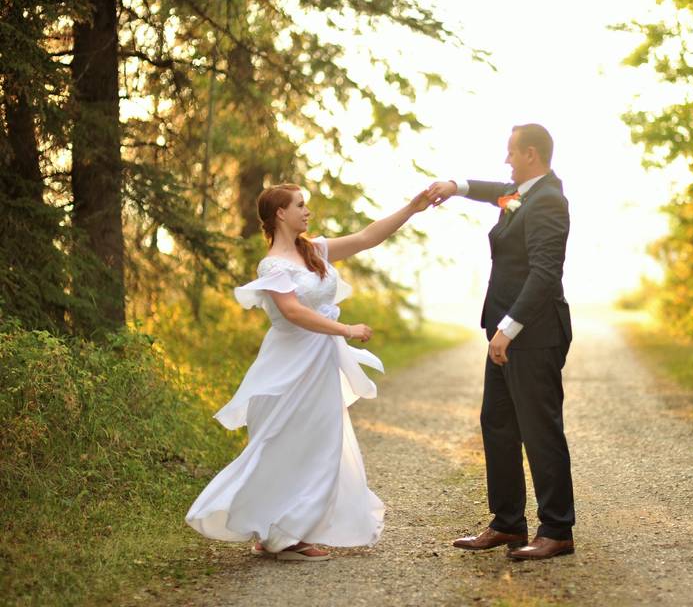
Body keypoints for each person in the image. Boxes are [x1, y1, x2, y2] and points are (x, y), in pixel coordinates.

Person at [185, 183, 431, 560]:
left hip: (319, 360)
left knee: (321, 442)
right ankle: (279, 533)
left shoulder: (314, 249)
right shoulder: (272, 265)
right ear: (280, 213)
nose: (307, 211)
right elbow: (293, 312)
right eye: (300, 205)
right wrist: (347, 330)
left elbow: (368, 237)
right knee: (284, 442)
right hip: (288, 362)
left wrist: (411, 208)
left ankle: (286, 531)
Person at [427, 123, 575, 560]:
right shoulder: (523, 194)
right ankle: (508, 523)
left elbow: (546, 274)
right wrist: (456, 186)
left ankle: (557, 530)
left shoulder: (547, 200)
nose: (506, 161)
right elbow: (498, 191)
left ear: (531, 154)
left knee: (539, 431)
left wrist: (508, 329)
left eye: (511, 153)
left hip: (532, 335)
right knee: (498, 424)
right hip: (505, 333)